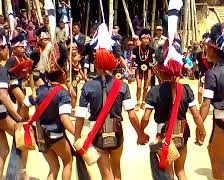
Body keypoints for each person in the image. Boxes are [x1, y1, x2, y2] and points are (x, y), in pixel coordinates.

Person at [75, 23, 148, 180]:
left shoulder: (87, 87)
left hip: (97, 133)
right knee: (116, 169)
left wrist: (77, 137)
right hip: (117, 132)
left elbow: (80, 116)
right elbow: (132, 115)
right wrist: (140, 134)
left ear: (96, 64)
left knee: (105, 173)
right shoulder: (122, 86)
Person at [141, 2, 206, 178]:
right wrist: (202, 130)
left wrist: (141, 132)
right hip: (183, 133)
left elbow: (146, 118)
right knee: (181, 171)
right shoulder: (186, 90)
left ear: (159, 69)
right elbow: (197, 115)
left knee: (167, 173)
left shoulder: (154, 91)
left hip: (164, 134)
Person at [21, 39, 75, 180]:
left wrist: (24, 118)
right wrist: (78, 134)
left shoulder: (39, 91)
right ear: (63, 74)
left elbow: (24, 105)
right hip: (56, 135)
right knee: (68, 162)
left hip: (41, 136)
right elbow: (64, 118)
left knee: (54, 168)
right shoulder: (63, 93)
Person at [199, 23, 224, 180]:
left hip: (223, 117)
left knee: (219, 162)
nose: (205, 50)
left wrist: (199, 126)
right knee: (211, 149)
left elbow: (206, 103)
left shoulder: (212, 73)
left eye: (208, 47)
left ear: (214, 50)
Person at [0, 34, 27, 178]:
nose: (7, 50)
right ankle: (20, 174)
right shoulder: (2, 68)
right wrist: (17, 118)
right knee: (25, 140)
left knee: (3, 151)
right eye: (5, 48)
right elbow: (2, 96)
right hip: (1, 114)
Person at [130, 29, 155, 111]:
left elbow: (153, 61)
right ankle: (137, 102)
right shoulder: (136, 49)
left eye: (148, 38)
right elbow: (132, 61)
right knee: (139, 86)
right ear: (141, 39)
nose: (146, 40)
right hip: (138, 70)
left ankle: (143, 102)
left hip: (148, 70)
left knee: (146, 87)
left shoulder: (151, 50)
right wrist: (130, 70)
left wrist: (153, 70)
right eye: (144, 38)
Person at [196, 33, 213, 105]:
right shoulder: (199, 54)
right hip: (202, 74)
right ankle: (200, 105)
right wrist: (193, 71)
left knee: (208, 93)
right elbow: (196, 64)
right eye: (204, 44)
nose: (206, 47)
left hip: (212, 75)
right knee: (200, 91)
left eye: (207, 45)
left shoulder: (213, 54)